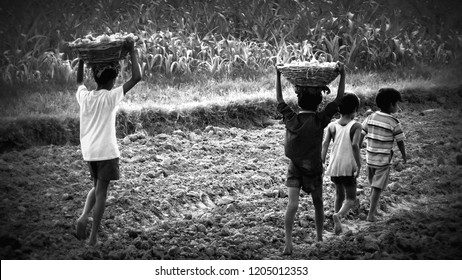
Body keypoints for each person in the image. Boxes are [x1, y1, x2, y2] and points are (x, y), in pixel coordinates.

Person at [75, 40, 142, 246]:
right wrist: (131, 51)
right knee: (102, 192)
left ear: (95, 78)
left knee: (96, 187)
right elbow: (137, 77)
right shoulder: (111, 97)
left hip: (90, 152)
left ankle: (84, 216)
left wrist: (81, 59)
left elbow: (78, 82)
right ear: (112, 81)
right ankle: (93, 237)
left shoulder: (85, 96)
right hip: (106, 151)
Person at [276, 62, 345, 255]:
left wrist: (278, 74)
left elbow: (279, 98)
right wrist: (343, 74)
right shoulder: (320, 120)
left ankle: (288, 243)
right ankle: (320, 237)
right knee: (318, 203)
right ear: (319, 103)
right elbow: (339, 99)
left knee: (293, 205)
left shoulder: (291, 118)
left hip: (295, 168)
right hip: (314, 168)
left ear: (298, 102)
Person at [360, 88, 406, 222]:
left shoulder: (371, 117)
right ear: (391, 104)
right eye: (397, 104)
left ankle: (373, 210)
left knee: (373, 186)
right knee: (377, 188)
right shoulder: (394, 122)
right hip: (383, 161)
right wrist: (404, 155)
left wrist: (357, 147)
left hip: (369, 158)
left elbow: (361, 133)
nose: (398, 107)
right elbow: (400, 142)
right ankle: (371, 215)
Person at [321, 93, 362, 235]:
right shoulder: (356, 125)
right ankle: (338, 216)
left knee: (339, 194)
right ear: (355, 108)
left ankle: (336, 226)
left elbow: (325, 144)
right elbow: (355, 145)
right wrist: (359, 164)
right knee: (351, 198)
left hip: (334, 165)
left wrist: (322, 160)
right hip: (348, 165)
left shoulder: (332, 126)